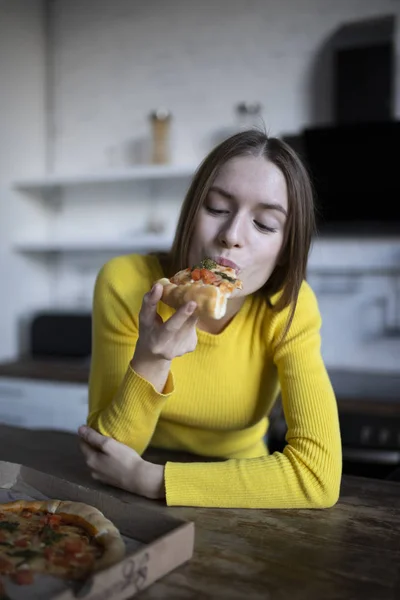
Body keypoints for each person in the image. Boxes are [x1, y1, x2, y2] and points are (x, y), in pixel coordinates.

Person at [78, 129, 342, 509]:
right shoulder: (125, 281)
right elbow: (105, 452)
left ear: (285, 250)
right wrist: (152, 357)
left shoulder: (291, 305)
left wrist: (151, 478)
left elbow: (318, 477)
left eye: (265, 224)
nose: (231, 236)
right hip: (125, 486)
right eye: (217, 208)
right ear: (190, 212)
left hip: (241, 490)